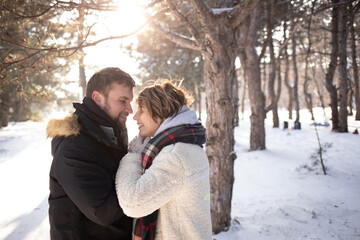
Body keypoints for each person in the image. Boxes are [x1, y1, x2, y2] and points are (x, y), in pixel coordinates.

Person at [115, 80, 212, 240]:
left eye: (142, 110)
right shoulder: (183, 145)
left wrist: (134, 154)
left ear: (161, 112)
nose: (135, 116)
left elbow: (133, 203)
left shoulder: (176, 155)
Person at [46, 67, 135, 239]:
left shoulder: (110, 134)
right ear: (97, 98)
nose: (130, 109)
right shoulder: (74, 148)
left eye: (130, 101)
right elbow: (103, 212)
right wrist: (146, 181)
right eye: (123, 100)